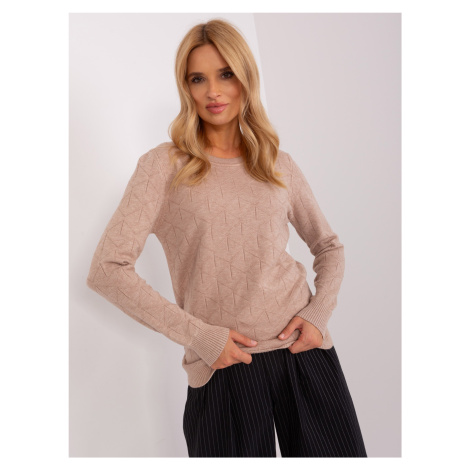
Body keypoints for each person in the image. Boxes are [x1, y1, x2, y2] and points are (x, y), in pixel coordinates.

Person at [86, 18, 367, 458]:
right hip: (222, 364)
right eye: (198, 79)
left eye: (226, 74)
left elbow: (328, 247)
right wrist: (201, 337)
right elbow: (107, 269)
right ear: (186, 87)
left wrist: (318, 313)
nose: (213, 91)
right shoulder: (162, 166)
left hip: (302, 352)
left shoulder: (277, 163)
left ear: (245, 79)